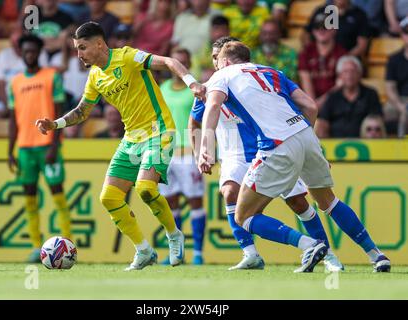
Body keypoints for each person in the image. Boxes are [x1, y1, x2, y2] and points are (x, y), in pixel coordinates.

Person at [199, 41, 390, 272]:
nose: (216, 65)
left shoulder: (223, 74)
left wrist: (205, 148)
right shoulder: (271, 72)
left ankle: (310, 245)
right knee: (329, 201)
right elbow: (310, 106)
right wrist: (307, 146)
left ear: (226, 61)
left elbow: (213, 105)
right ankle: (376, 255)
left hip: (276, 144)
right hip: (306, 135)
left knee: (244, 216)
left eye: (217, 61)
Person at [36, 22, 206, 271]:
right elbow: (83, 111)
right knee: (109, 197)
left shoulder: (127, 57)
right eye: (76, 49)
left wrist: (192, 83)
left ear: (99, 44)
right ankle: (144, 250)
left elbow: (170, 62)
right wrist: (55, 124)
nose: (79, 54)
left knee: (146, 188)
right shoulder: (95, 76)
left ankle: (173, 235)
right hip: (132, 138)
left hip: (159, 131)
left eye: (82, 47)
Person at [8, 34, 72, 263]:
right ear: (22, 52)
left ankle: (67, 244)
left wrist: (55, 144)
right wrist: (10, 150)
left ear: (39, 52)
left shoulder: (52, 76)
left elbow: (58, 112)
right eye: (26, 51)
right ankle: (37, 246)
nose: (29, 55)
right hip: (25, 149)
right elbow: (13, 119)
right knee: (29, 198)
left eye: (33, 51)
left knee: (58, 195)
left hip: (47, 147)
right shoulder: (15, 82)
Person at [159, 47, 207, 265]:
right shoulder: (163, 88)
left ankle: (198, 253)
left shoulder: (195, 89)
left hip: (189, 152)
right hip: (166, 152)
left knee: (195, 201)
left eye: (184, 62)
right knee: (171, 205)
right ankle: (176, 253)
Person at [315, 55, 383, 138]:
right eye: (346, 71)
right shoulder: (333, 96)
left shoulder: (370, 94)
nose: (349, 75)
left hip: (365, 143)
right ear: (340, 76)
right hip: (335, 144)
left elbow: (377, 120)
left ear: (359, 74)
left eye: (353, 71)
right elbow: (323, 121)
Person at [298, 12, 347, 109]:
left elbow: (340, 85)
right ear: (313, 31)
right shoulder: (306, 52)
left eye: (326, 26)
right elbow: (306, 81)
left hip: (334, 105)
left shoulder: (342, 54)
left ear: (334, 29)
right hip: (308, 104)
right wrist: (313, 105)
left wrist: (317, 105)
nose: (321, 30)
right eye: (317, 27)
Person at [385, 17, 408, 137]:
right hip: (400, 99)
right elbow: (390, 88)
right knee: (386, 113)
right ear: (401, 35)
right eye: (407, 32)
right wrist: (401, 106)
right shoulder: (394, 59)